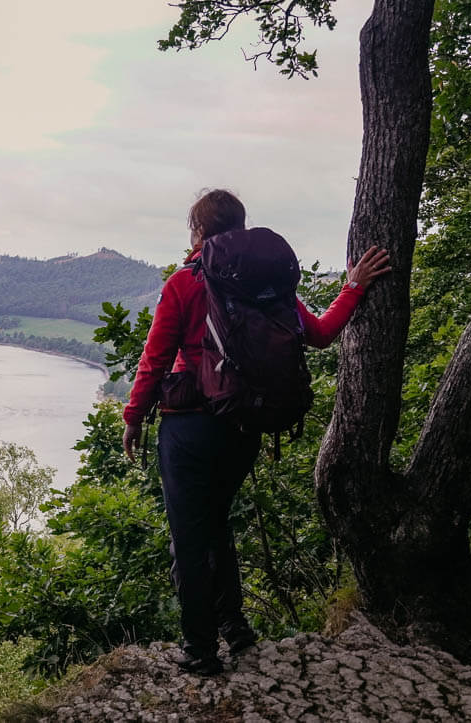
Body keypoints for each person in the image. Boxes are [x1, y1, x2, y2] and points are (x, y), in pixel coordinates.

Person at [121, 189, 390, 675]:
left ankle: (200, 650)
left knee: (189, 535)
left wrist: (133, 417)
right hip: (244, 424)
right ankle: (236, 629)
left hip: (188, 430)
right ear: (241, 228)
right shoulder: (268, 282)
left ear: (198, 232)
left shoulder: (186, 281)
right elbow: (321, 334)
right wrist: (352, 287)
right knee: (217, 525)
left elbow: (155, 359)